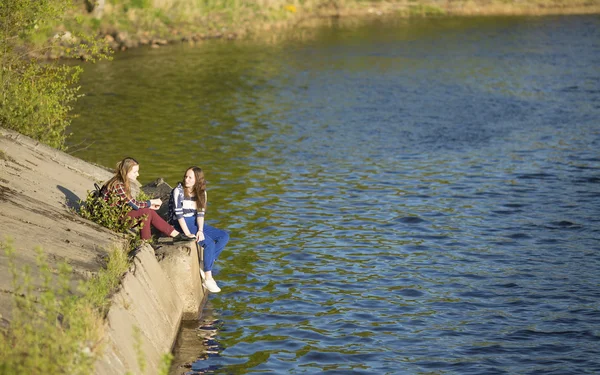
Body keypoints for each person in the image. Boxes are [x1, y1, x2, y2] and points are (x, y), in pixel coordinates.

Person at [101, 157, 195, 243]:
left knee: (148, 211)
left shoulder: (120, 182)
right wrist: (151, 202)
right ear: (126, 171)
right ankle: (146, 242)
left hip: (117, 215)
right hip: (112, 220)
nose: (138, 174)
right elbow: (135, 204)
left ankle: (174, 235)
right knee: (146, 212)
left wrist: (149, 205)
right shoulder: (118, 185)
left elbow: (129, 203)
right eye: (135, 172)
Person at [169, 166, 229, 293]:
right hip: (181, 222)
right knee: (209, 244)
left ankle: (208, 261)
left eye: (190, 177)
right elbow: (178, 215)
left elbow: (201, 214)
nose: (187, 179)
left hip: (195, 221)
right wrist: (187, 234)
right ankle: (208, 277)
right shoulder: (178, 191)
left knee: (224, 236)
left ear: (197, 179)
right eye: (186, 176)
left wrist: (200, 230)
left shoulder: (202, 193)